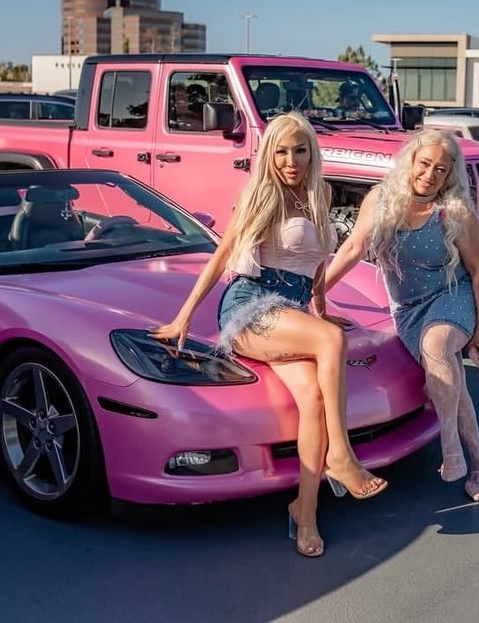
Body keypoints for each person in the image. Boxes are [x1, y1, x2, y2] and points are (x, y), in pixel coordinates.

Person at [150, 112, 387, 558]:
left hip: (292, 310)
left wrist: (319, 309)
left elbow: (317, 261)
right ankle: (341, 455)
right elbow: (222, 256)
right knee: (332, 343)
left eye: (299, 150)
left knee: (314, 400)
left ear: (312, 152)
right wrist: (184, 317)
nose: (290, 160)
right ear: (269, 154)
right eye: (280, 151)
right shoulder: (264, 194)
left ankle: (305, 512)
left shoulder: (320, 192)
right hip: (251, 307)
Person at [324, 128, 479, 502]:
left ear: (450, 175)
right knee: (452, 382)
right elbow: (353, 248)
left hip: (453, 296)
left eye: (441, 170)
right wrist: (316, 293)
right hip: (409, 310)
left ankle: (451, 451)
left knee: (437, 345)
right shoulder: (380, 200)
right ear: (410, 162)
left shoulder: (455, 212)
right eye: (425, 164)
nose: (430, 175)